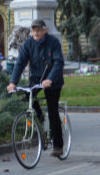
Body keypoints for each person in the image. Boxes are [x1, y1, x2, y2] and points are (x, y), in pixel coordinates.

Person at [7, 19, 66, 157]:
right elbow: (20, 63)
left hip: (53, 81)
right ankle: (39, 114)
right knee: (27, 94)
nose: (35, 32)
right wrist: (13, 82)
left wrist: (50, 79)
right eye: (33, 30)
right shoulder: (28, 44)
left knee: (53, 111)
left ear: (45, 30)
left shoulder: (53, 42)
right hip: (36, 78)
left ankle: (57, 146)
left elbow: (58, 63)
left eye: (38, 30)